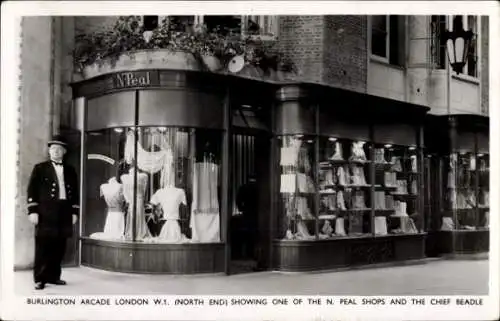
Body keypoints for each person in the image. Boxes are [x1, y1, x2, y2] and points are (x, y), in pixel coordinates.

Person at [27, 135, 79, 290]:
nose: (55, 152)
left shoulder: (70, 170)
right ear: (49, 151)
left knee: (59, 245)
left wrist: (74, 212)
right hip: (45, 212)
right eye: (53, 149)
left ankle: (54, 276)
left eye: (59, 149)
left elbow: (75, 192)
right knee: (44, 245)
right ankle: (40, 278)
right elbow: (31, 190)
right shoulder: (40, 168)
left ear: (64, 152)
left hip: (64, 211)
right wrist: (33, 210)